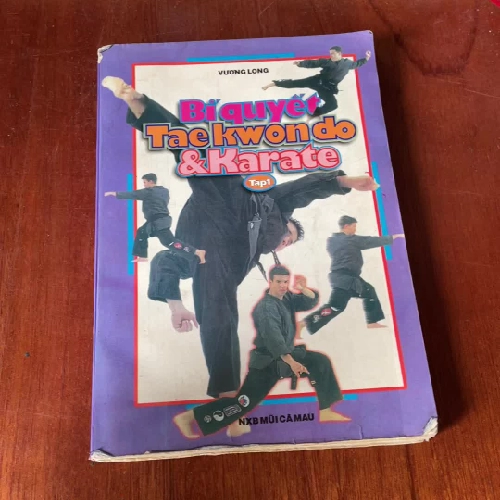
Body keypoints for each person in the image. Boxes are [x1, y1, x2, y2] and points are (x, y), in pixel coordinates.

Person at [102, 76, 380, 399]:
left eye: (288, 244)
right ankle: (140, 104)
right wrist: (344, 182)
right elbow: (302, 189)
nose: (285, 242)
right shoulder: (275, 205)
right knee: (200, 156)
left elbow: (169, 264)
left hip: (210, 249)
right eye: (289, 235)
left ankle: (225, 390)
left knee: (218, 307)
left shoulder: (251, 257)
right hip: (230, 202)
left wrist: (175, 305)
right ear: (287, 223)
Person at [173, 266, 349, 439]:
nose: (283, 285)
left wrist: (303, 289)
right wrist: (292, 363)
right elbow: (274, 339)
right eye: (279, 282)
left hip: (284, 357)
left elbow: (308, 301)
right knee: (243, 404)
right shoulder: (266, 308)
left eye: (286, 282)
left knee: (319, 361)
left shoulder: (286, 297)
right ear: (270, 282)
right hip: (266, 362)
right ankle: (189, 417)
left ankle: (325, 411)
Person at [299, 216, 405, 335]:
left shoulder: (333, 240)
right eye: (354, 226)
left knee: (368, 292)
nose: (355, 229)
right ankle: (305, 323)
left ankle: (372, 322)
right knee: (336, 306)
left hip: (344, 278)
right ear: (346, 226)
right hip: (346, 279)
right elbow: (369, 241)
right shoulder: (350, 240)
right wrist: (392, 238)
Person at [105, 173, 206, 264]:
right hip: (161, 220)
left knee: (167, 241)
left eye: (145, 182)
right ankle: (143, 257)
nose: (144, 185)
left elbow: (133, 194)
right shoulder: (164, 191)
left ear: (151, 181)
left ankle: (197, 252)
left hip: (158, 222)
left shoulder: (149, 192)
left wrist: (115, 194)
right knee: (150, 235)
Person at [262, 46, 371, 117]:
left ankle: (313, 114)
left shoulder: (348, 64)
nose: (331, 56)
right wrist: (301, 64)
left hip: (327, 87)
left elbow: (357, 64)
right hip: (316, 81)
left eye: (333, 53)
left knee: (333, 105)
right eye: (330, 54)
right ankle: (274, 83)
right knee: (297, 83)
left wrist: (366, 58)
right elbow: (314, 63)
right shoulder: (327, 62)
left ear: (339, 53)